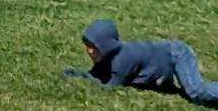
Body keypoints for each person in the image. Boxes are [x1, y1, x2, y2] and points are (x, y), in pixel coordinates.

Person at [69, 20, 218, 106]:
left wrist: (87, 79)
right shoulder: (108, 58)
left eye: (95, 48)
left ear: (107, 46)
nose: (89, 52)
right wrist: (76, 73)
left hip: (176, 54)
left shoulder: (122, 61)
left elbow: (109, 87)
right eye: (88, 47)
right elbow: (96, 74)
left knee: (196, 92)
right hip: (167, 54)